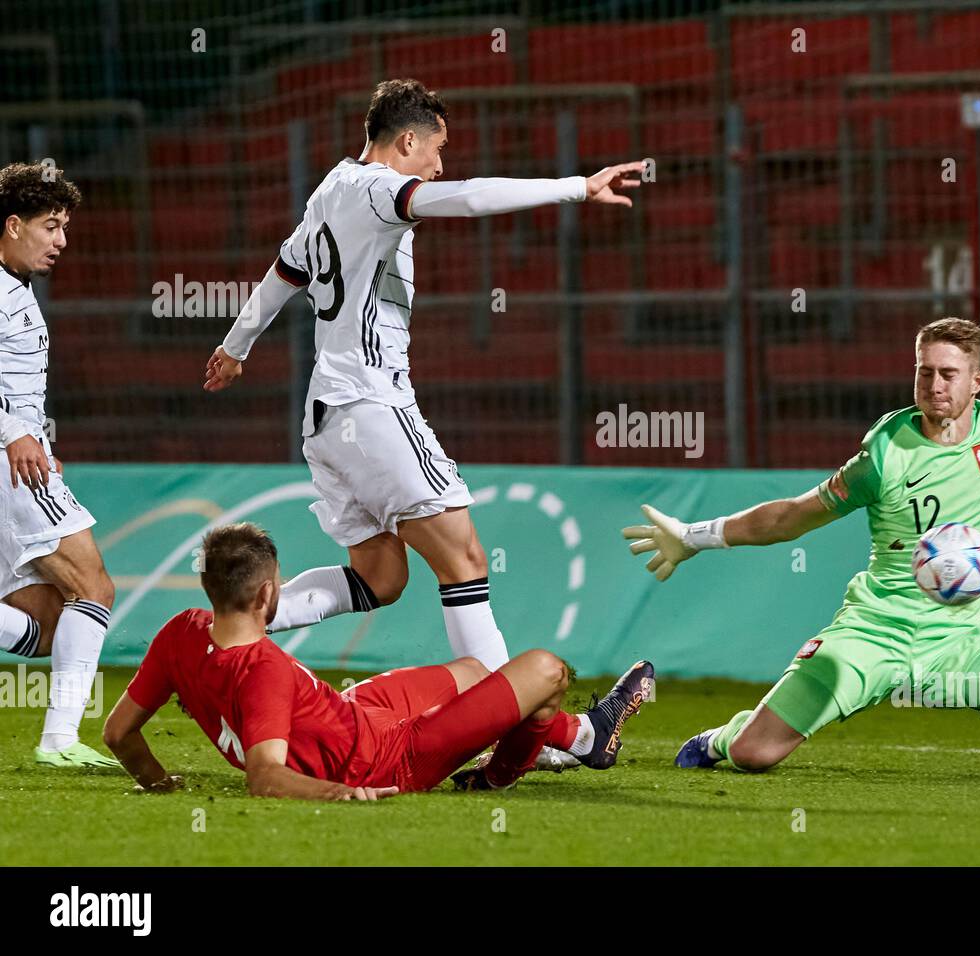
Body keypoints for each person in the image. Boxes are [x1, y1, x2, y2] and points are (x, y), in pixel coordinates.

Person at [203, 78, 645, 770]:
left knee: (380, 578)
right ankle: (533, 734)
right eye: (436, 150)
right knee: (465, 561)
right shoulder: (379, 190)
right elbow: (466, 198)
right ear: (406, 141)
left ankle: (228, 628)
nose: (440, 165)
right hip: (372, 405)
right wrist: (575, 187)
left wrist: (235, 346)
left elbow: (281, 273)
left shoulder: (330, 190)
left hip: (325, 417)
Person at [624, 288, 980, 783]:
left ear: (977, 380)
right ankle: (725, 736)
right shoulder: (882, 455)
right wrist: (694, 536)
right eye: (924, 371)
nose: (935, 384)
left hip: (959, 643)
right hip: (871, 635)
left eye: (949, 373)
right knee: (756, 755)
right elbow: (791, 517)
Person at [103, 522, 654, 798]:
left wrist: (156, 782)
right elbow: (265, 776)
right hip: (389, 758)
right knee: (547, 671)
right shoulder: (265, 669)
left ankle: (584, 737)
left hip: (355, 713)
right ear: (270, 595)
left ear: (207, 588)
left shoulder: (180, 632)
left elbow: (119, 734)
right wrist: (343, 792)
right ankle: (499, 776)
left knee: (477, 673)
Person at [0, 161, 119, 769]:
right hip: (8, 464)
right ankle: (58, 741)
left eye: (64, 226)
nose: (61, 241)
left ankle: (58, 740)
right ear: (13, 224)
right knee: (93, 587)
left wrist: (36, 434)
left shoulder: (14, 290)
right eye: (50, 226)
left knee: (44, 623)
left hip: (19, 456)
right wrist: (16, 433)